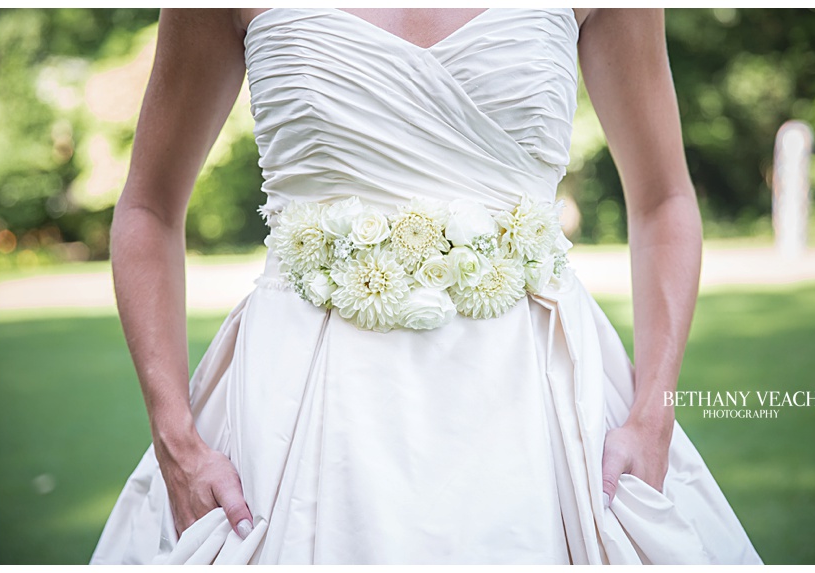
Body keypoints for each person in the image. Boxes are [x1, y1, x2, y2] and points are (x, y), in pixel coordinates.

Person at [91, 8, 763, 564]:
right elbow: (147, 208)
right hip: (294, 413)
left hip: (540, 405)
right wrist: (176, 440)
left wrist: (652, 416)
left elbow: (663, 199)